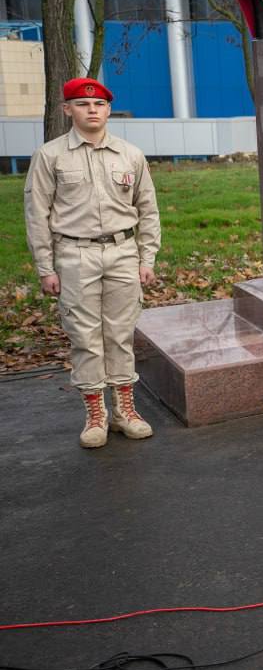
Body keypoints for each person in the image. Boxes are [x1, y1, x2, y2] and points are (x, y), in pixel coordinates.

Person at [23, 78, 161, 449]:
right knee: (85, 337)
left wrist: (146, 257)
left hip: (122, 253)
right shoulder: (50, 156)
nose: (92, 110)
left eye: (99, 104)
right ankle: (96, 415)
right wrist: (46, 267)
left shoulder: (130, 155)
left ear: (108, 110)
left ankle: (125, 412)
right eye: (83, 105)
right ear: (67, 110)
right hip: (74, 255)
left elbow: (147, 209)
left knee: (120, 334)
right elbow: (37, 214)